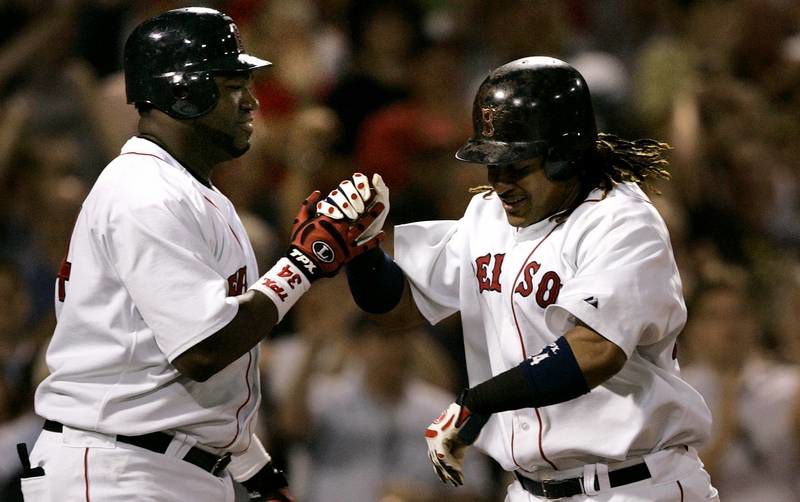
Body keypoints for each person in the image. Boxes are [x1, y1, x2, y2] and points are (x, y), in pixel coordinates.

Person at [18, 8, 382, 502]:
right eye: (233, 85)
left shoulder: (186, 190)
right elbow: (203, 350)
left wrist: (257, 472)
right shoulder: (145, 191)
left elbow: (182, 377)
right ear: (184, 93)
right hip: (118, 471)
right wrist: (304, 263)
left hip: (161, 466)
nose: (252, 102)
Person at [326, 57, 719, 501]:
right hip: (531, 489)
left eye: (515, 164)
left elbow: (595, 351)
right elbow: (396, 309)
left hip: (634, 485)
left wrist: (479, 401)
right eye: (492, 165)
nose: (499, 183)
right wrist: (361, 253)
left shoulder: (622, 221)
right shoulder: (486, 218)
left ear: (564, 154)